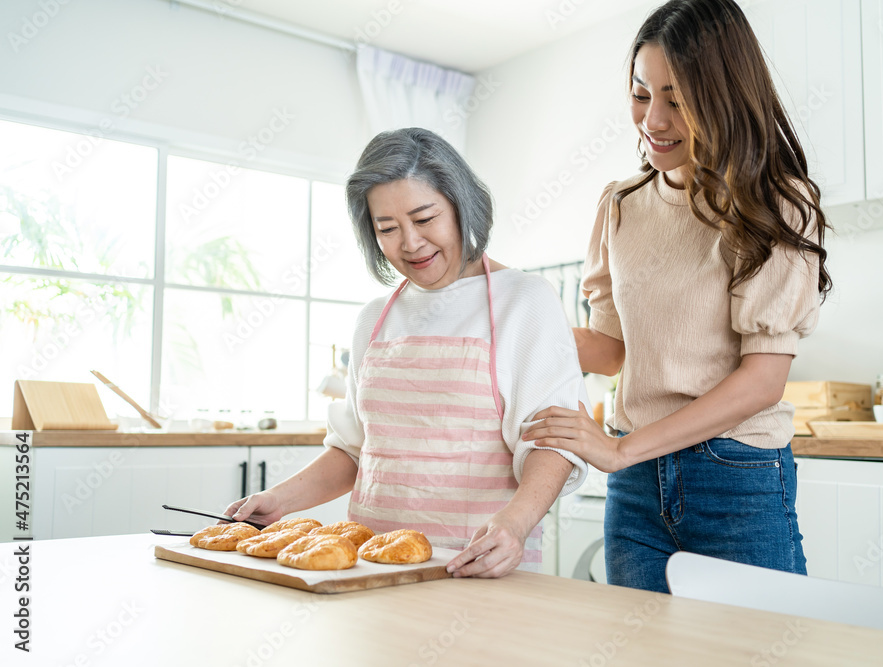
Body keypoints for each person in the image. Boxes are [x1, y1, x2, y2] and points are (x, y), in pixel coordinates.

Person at [523, 0, 832, 593]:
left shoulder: (776, 202)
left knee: (758, 652)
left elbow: (763, 380)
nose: (654, 120)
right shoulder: (620, 205)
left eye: (679, 100)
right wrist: (506, 305)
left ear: (724, 96)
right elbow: (613, 349)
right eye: (642, 95)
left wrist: (619, 450)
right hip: (636, 484)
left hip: (734, 474)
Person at [224, 127, 588, 578]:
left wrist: (515, 524)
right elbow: (356, 450)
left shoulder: (524, 301)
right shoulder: (374, 320)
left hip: (479, 562)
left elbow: (551, 440)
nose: (410, 243)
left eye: (425, 218)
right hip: (369, 566)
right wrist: (278, 500)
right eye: (388, 228)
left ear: (460, 205)